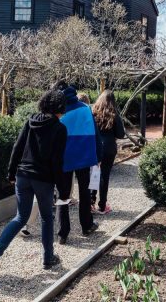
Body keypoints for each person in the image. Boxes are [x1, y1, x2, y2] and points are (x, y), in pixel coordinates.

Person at [0, 90, 67, 277]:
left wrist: (11, 172)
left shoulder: (30, 121)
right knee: (46, 217)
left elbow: (17, 147)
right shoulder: (60, 129)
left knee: (20, 217)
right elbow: (57, 162)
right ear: (60, 108)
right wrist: (63, 190)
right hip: (43, 179)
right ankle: (48, 258)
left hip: (22, 175)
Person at [56, 85, 102, 244]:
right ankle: (87, 225)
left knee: (63, 194)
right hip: (84, 156)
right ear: (75, 95)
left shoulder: (59, 110)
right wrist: (98, 154)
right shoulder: (85, 108)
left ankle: (63, 232)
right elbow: (95, 132)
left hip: (64, 157)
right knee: (84, 191)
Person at [90, 90, 126, 214]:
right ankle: (102, 205)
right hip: (109, 148)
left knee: (94, 174)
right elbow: (121, 134)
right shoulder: (114, 114)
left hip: (95, 147)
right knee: (104, 177)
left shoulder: (93, 112)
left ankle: (90, 202)